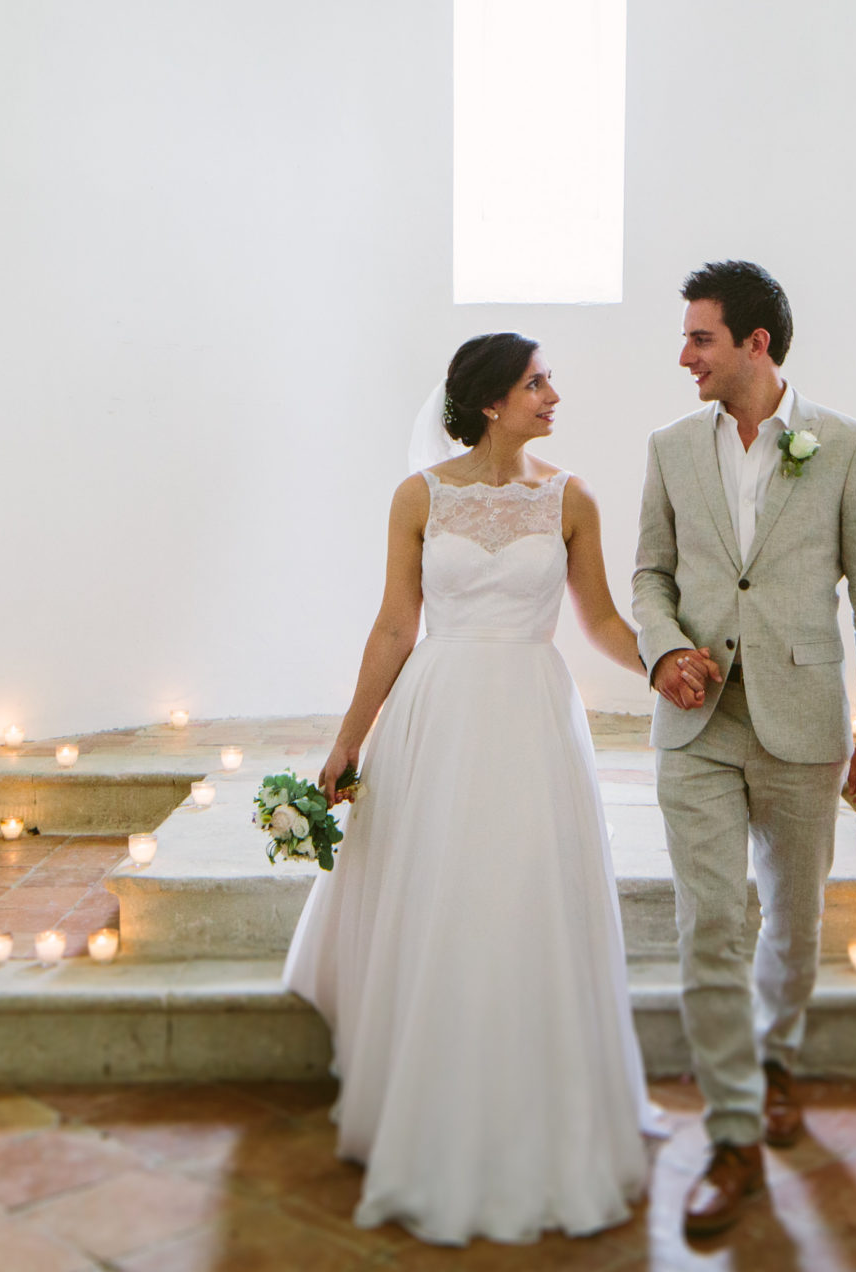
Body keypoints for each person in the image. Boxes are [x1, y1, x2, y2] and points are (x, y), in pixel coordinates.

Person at [282, 332, 656, 1246]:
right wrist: (346, 744)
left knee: (523, 904)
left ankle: (539, 1120)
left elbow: (600, 617)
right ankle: (429, 1115)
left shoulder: (571, 499)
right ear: (492, 401)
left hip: (531, 716)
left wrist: (667, 663)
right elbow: (392, 627)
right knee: (443, 901)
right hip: (437, 716)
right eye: (537, 382)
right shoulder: (419, 497)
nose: (554, 395)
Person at [632, 260, 856, 1237]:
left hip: (802, 723)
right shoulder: (670, 448)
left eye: (699, 337)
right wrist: (664, 649)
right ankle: (734, 1132)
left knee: (791, 918)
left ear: (755, 342)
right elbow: (647, 578)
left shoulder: (843, 446)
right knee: (708, 922)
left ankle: (776, 1056)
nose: (684, 355)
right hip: (698, 726)